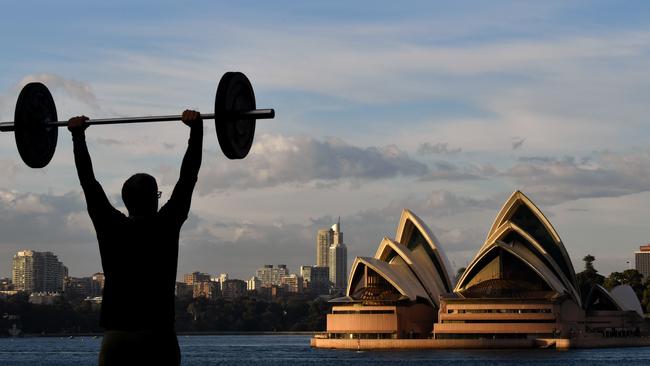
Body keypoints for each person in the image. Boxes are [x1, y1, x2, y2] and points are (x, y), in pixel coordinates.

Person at [68, 110, 203, 366]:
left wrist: (77, 136)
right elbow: (188, 177)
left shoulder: (109, 225)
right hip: (158, 337)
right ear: (155, 198)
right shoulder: (167, 224)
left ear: (126, 200)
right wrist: (196, 130)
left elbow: (88, 181)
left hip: (117, 338)